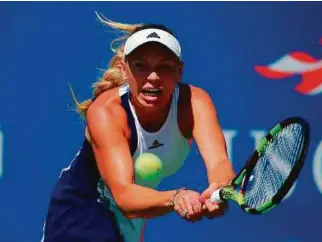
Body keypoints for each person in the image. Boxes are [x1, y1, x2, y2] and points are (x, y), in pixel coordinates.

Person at [42, 13, 236, 242]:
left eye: (164, 67)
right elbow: (124, 195)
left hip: (132, 219)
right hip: (80, 214)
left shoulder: (195, 103)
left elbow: (219, 163)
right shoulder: (107, 111)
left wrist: (219, 191)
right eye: (141, 67)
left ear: (179, 71)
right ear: (125, 70)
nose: (153, 77)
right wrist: (176, 197)